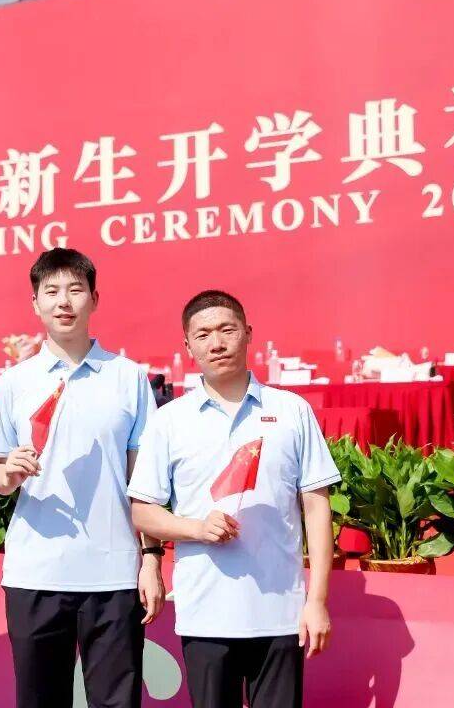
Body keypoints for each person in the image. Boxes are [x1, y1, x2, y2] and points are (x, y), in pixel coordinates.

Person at [128, 290, 340, 708]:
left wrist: (316, 602)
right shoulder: (169, 421)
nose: (217, 343)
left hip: (280, 614)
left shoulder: (291, 411)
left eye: (227, 330)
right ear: (188, 346)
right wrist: (196, 529)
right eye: (203, 334)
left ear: (248, 333)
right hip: (205, 615)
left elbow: (317, 509)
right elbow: (142, 511)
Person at [0, 247, 164, 708]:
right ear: (35, 303)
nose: (63, 301)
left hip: (113, 574)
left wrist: (150, 558)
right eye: (51, 291)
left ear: (94, 299)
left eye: (75, 290)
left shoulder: (128, 377)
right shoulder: (13, 382)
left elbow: (142, 481)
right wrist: (10, 472)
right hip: (36, 572)